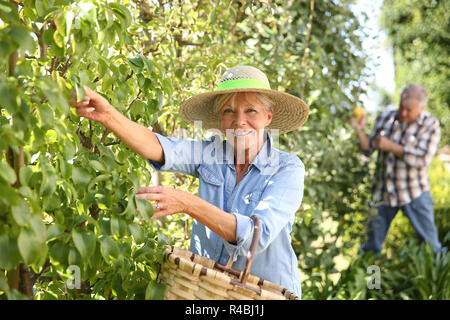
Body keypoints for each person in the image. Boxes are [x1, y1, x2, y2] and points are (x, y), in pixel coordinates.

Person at [69, 65, 309, 297]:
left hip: (267, 295)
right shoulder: (210, 154)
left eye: (251, 111)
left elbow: (256, 235)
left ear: (268, 116)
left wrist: (188, 203)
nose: (239, 121)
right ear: (220, 119)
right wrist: (107, 114)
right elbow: (159, 146)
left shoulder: (287, 169)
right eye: (228, 111)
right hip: (207, 293)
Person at [351, 84, 445, 258]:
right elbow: (367, 148)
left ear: (421, 107)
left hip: (415, 192)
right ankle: (372, 284)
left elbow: (423, 160)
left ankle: (436, 283)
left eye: (409, 110)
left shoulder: (430, 125)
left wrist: (390, 146)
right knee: (371, 249)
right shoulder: (386, 117)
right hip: (382, 193)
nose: (403, 113)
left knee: (431, 246)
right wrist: (359, 128)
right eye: (402, 107)